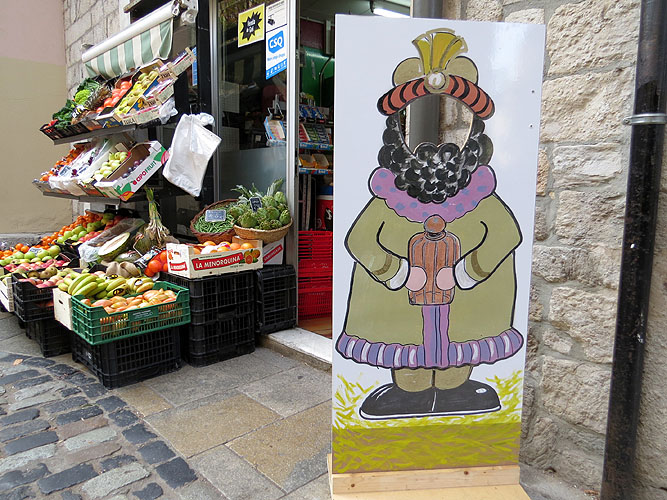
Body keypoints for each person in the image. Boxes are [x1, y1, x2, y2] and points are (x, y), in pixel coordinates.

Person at [336, 29, 524, 419]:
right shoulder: (389, 196)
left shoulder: (478, 193)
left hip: (466, 301)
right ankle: (410, 390)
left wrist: (471, 270)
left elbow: (507, 233)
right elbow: (359, 239)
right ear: (396, 133)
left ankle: (455, 387)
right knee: (407, 351)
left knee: (460, 347)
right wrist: (396, 271)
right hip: (401, 301)